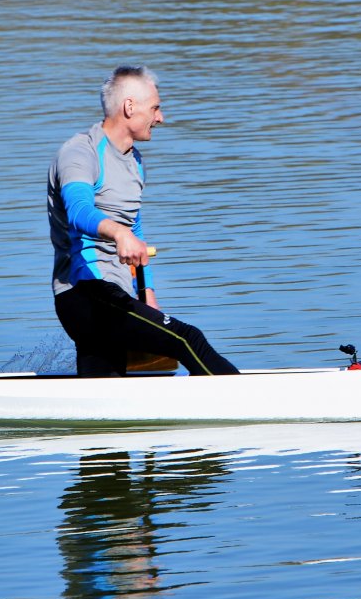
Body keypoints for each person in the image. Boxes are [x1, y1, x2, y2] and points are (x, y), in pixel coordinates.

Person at [48, 66, 240, 379]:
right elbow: (79, 211)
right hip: (84, 293)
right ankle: (244, 399)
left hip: (116, 296)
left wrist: (146, 292)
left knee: (105, 387)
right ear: (129, 107)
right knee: (187, 338)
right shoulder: (80, 153)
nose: (161, 117)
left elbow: (135, 230)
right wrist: (118, 234)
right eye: (155, 107)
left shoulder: (135, 162)